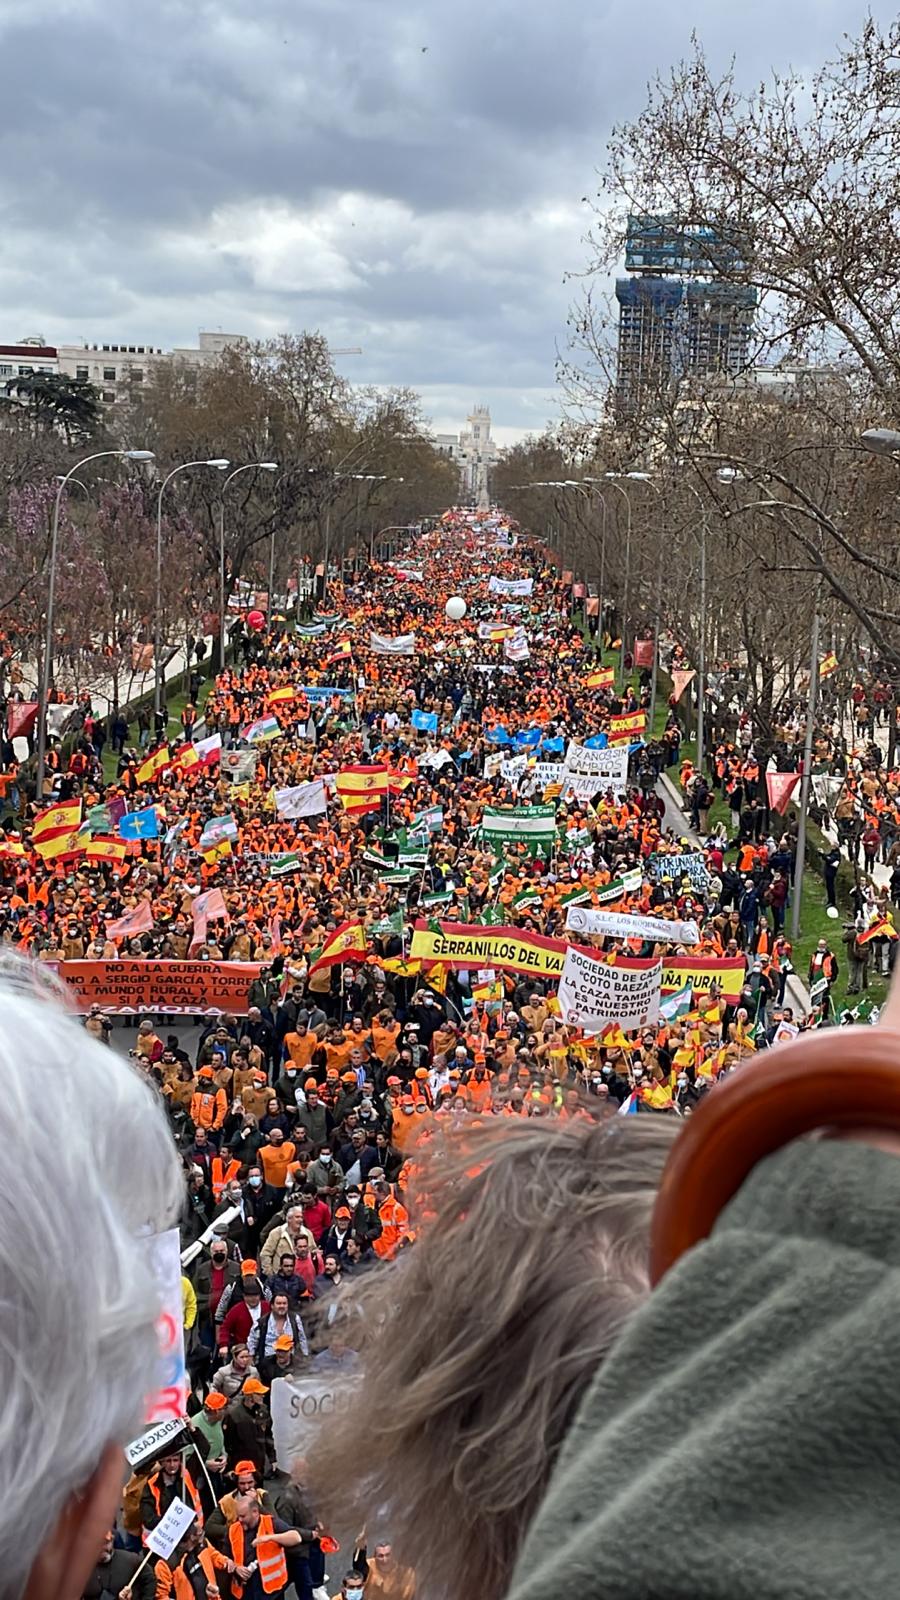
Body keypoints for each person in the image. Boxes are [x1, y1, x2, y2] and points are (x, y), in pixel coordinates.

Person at [227, 1494, 302, 1600]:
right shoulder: (233, 1530)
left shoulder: (271, 1523)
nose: (239, 1519)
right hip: (246, 1592)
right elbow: (225, 1557)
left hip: (272, 1593)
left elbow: (296, 1537)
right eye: (238, 1516)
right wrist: (236, 1568)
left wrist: (269, 1538)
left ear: (255, 1512)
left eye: (243, 1516)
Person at [81, 1528, 155, 1600]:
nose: (102, 1548)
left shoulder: (130, 1560)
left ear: (112, 1540)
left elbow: (149, 1579)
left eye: (106, 1543)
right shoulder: (81, 1569)